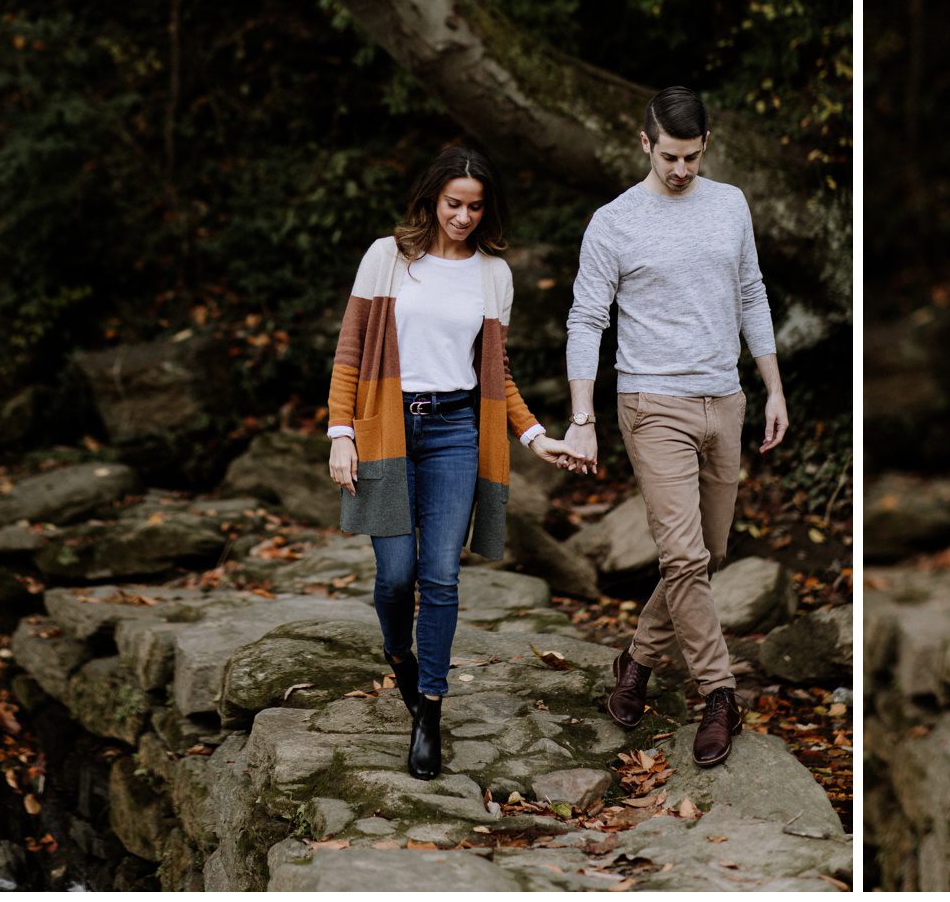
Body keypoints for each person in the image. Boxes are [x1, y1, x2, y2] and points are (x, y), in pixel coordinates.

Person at [325, 143, 588, 781]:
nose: (463, 217)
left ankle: (430, 714)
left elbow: (495, 375)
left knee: (440, 575)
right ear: (431, 199)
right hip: (386, 429)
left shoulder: (493, 275)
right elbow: (351, 351)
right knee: (395, 577)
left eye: (475, 207)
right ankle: (400, 656)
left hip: (454, 432)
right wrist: (340, 433)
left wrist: (535, 436)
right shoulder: (387, 258)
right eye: (453, 204)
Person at [559, 86, 788, 767]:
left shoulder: (730, 205)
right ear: (644, 144)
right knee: (684, 558)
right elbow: (585, 320)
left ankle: (637, 658)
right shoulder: (614, 222)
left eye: (691, 156)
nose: (681, 169)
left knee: (708, 555)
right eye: (669, 156)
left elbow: (751, 292)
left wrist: (772, 388)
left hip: (726, 400)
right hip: (652, 404)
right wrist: (582, 418)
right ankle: (720, 693)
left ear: (705, 146)